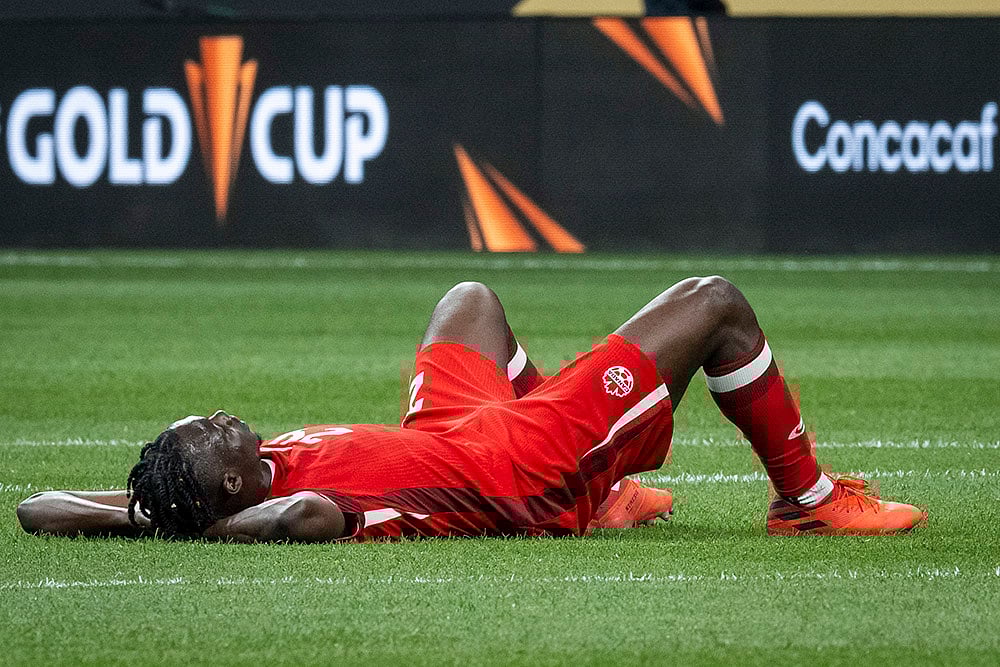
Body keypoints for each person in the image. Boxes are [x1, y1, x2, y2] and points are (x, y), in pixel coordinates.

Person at [17, 277, 926, 542]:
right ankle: (803, 502)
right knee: (716, 303)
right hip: (519, 463)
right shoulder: (295, 508)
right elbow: (302, 515)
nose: (220, 415)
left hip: (453, 434)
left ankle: (605, 491)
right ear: (225, 483)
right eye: (210, 431)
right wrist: (198, 533)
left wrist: (143, 516)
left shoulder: (217, 481)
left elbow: (40, 504)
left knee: (469, 303)